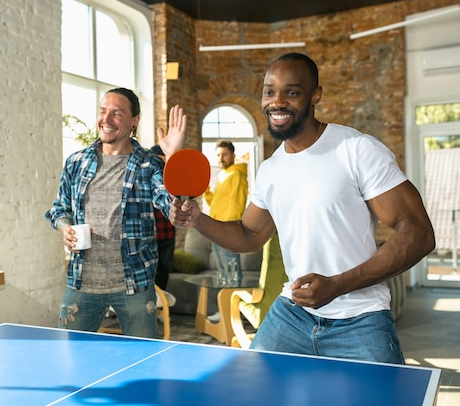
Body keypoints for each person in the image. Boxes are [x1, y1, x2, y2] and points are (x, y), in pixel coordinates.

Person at [169, 53, 435, 364]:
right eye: (269, 91)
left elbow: (419, 233)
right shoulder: (270, 169)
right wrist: (198, 219)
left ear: (315, 95)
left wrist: (337, 285)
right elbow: (249, 235)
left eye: (291, 92)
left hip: (360, 318)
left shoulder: (356, 149)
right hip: (292, 314)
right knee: (249, 391)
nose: (276, 102)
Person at [46, 88, 186, 338]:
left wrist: (174, 156)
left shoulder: (149, 164)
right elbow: (59, 209)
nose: (106, 119)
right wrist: (65, 228)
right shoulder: (77, 162)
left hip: (134, 284)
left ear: (134, 120)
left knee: (144, 361)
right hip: (81, 283)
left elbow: (172, 207)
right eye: (103, 111)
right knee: (67, 357)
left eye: (117, 113)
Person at [203, 140, 248, 322]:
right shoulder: (224, 175)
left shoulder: (236, 175)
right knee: (224, 273)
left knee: (231, 272)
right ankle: (225, 311)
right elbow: (217, 203)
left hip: (227, 229)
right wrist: (205, 190)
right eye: (219, 154)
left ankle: (232, 314)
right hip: (217, 228)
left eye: (225, 154)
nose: (221, 158)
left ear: (233, 155)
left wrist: (227, 228)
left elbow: (235, 204)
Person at [150, 145, 176, 291]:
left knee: (164, 271)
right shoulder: (144, 177)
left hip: (168, 234)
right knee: (149, 272)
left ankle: (162, 308)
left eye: (162, 160)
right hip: (149, 234)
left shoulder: (172, 178)